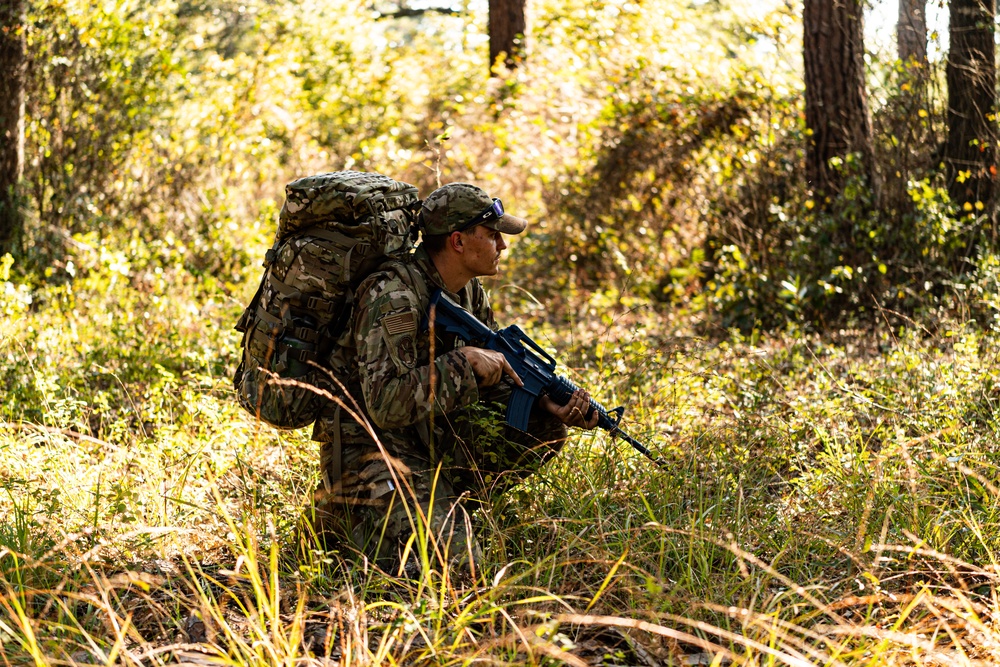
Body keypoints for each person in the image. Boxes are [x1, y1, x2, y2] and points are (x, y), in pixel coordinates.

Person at [310, 182, 598, 575]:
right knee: (456, 571)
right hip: (371, 443)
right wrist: (462, 363)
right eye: (493, 235)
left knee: (541, 425)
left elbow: (498, 367)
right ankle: (343, 512)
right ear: (459, 241)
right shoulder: (393, 295)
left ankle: (446, 500)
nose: (503, 245)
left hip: (428, 430)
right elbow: (385, 404)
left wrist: (543, 399)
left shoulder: (468, 291)